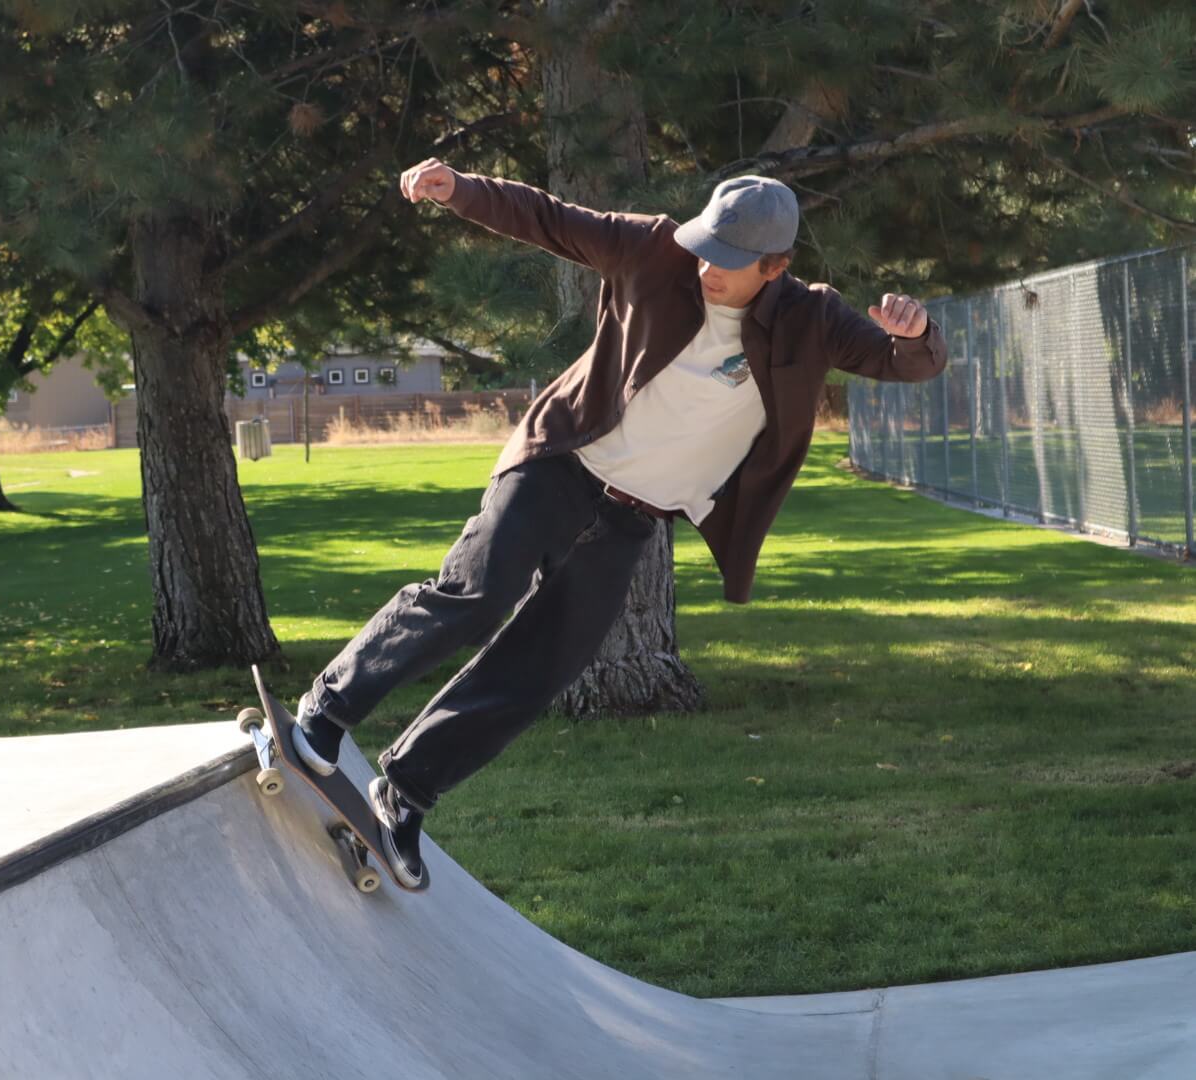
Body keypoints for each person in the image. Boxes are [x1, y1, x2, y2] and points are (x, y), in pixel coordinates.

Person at [289, 160, 948, 889]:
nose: (705, 269)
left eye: (729, 264)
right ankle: (328, 706)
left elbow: (904, 363)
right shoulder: (652, 250)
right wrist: (460, 190)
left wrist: (916, 334)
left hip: (634, 517)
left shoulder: (812, 319)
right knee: (477, 592)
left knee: (540, 668)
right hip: (562, 463)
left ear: (776, 266)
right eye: (704, 248)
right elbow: (549, 219)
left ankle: (406, 791)